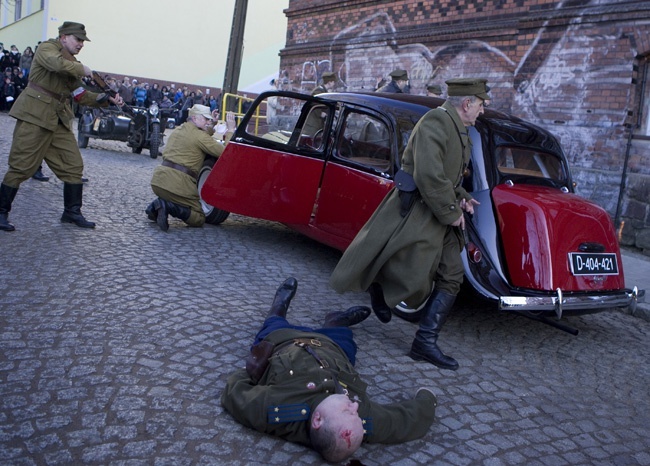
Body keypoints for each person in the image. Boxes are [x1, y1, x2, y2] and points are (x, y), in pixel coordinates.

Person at [330, 78, 490, 371]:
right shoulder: (436, 123)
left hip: (439, 210)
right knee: (413, 273)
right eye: (480, 105)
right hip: (418, 208)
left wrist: (462, 197)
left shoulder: (459, 128)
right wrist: (450, 211)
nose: (482, 111)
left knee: (452, 276)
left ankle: (424, 342)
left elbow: (448, 176)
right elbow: (429, 174)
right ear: (467, 104)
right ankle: (378, 285)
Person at [221, 277, 438, 463]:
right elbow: (407, 421)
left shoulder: (276, 409)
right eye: (356, 414)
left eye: (347, 411)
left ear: (317, 420)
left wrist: (249, 370)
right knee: (344, 338)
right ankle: (337, 320)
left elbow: (234, 393)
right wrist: (428, 396)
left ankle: (279, 304)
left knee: (273, 323)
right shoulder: (359, 420)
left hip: (285, 340)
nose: (355, 406)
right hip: (333, 348)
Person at [0, 21, 124, 232]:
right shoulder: (47, 49)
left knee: (73, 166)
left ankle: (71, 212)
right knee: (21, 165)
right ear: (64, 36)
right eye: (78, 39)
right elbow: (55, 64)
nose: (81, 44)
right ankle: (1, 212)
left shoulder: (71, 63)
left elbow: (80, 94)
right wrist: (82, 68)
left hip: (58, 120)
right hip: (35, 116)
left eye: (83, 41)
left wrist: (105, 98)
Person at [145, 104, 236, 231]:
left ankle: (155, 206)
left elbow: (199, 136)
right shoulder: (200, 136)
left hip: (158, 182)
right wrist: (231, 130)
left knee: (174, 196)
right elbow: (227, 153)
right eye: (206, 119)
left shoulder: (179, 129)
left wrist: (212, 125)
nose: (208, 121)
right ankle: (167, 206)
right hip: (178, 184)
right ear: (195, 118)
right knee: (199, 218)